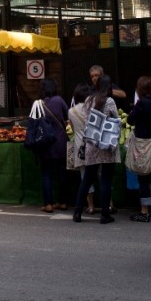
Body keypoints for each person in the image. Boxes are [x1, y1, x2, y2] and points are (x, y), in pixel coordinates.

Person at [73, 75, 118, 224]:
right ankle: (105, 214)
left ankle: (77, 212)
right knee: (105, 180)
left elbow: (86, 119)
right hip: (105, 145)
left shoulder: (88, 100)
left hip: (91, 144)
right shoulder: (110, 101)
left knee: (86, 180)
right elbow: (116, 119)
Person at [127, 75, 151, 222]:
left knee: (143, 178)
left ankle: (144, 210)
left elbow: (130, 119)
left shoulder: (141, 103)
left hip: (143, 145)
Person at [36, 78, 69, 213]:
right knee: (62, 174)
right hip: (60, 142)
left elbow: (33, 123)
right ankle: (62, 202)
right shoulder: (59, 100)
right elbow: (69, 116)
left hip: (45, 143)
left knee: (46, 174)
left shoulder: (38, 104)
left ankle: (48, 204)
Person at [67, 83, 95, 214]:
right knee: (101, 175)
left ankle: (90, 206)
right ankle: (110, 203)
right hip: (95, 145)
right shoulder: (94, 108)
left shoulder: (71, 111)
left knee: (85, 177)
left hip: (81, 147)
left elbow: (72, 129)